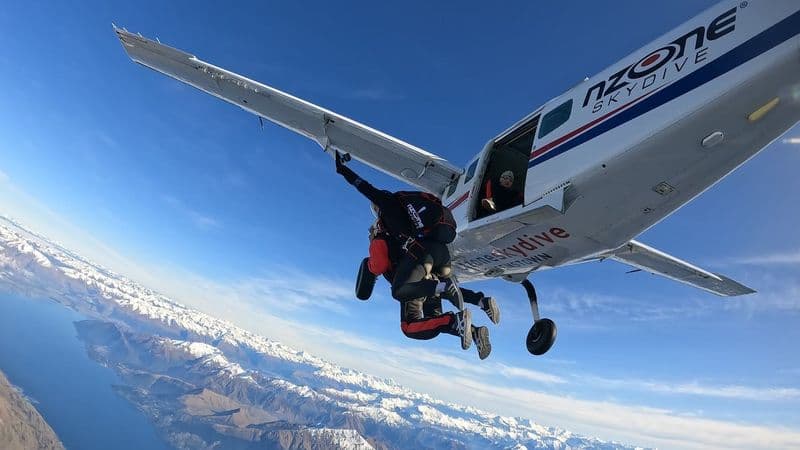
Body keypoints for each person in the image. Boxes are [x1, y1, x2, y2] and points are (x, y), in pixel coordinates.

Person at [367, 222, 497, 359]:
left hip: (412, 285)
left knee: (409, 326)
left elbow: (378, 265)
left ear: (376, 230)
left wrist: (369, 266)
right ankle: (479, 312)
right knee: (436, 315)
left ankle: (456, 320)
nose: (369, 237)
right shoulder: (400, 236)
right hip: (427, 271)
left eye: (370, 234)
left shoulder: (379, 240)